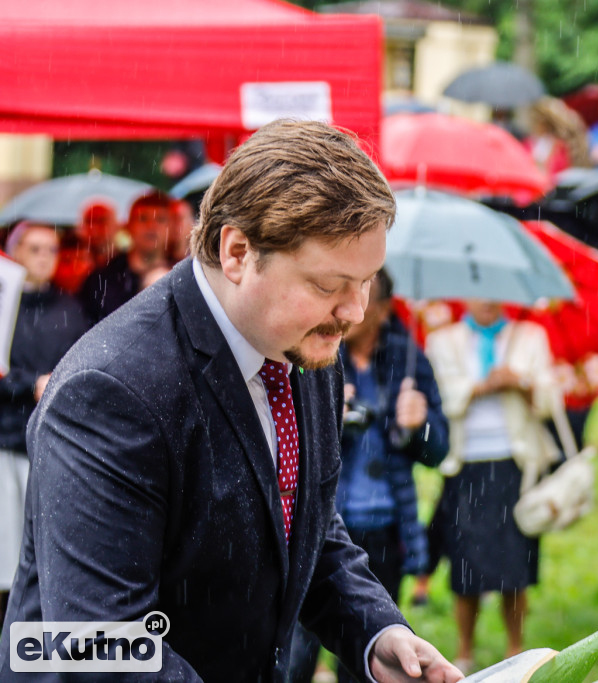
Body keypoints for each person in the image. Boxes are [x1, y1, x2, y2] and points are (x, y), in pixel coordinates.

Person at [0, 119, 463, 683]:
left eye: (365, 282)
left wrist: (377, 633)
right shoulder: (108, 391)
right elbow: (99, 645)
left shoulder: (303, 341)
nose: (355, 312)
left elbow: (301, 522)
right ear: (238, 251)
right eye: (328, 284)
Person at [289, 269, 450, 683]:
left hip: (386, 526)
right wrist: (328, 421)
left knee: (367, 650)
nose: (351, 310)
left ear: (381, 309)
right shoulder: (315, 350)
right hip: (322, 523)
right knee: (298, 648)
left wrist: (419, 426)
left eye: (363, 297)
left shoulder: (408, 357)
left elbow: (440, 449)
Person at [424, 301, 562, 674]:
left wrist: (521, 383)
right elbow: (439, 398)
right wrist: (481, 386)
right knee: (466, 564)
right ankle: (464, 648)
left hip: (514, 464)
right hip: (465, 464)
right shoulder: (442, 341)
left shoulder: (531, 337)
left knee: (515, 563)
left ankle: (515, 646)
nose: (487, 302)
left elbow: (551, 402)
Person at [0, 222, 89, 625]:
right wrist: (27, 384)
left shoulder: (69, 307)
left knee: (39, 551)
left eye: (50, 250)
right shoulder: (5, 306)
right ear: (14, 253)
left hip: (49, 442)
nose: (43, 258)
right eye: (34, 249)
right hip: (4, 438)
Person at [78, 190, 174, 322]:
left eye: (160, 219)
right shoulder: (101, 281)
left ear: (171, 227)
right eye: (143, 218)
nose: (151, 226)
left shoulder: (182, 276)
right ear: (129, 226)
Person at [52, 201, 121, 294]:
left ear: (117, 225)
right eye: (89, 221)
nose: (94, 229)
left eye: (101, 221)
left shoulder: (127, 265)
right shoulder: (67, 254)